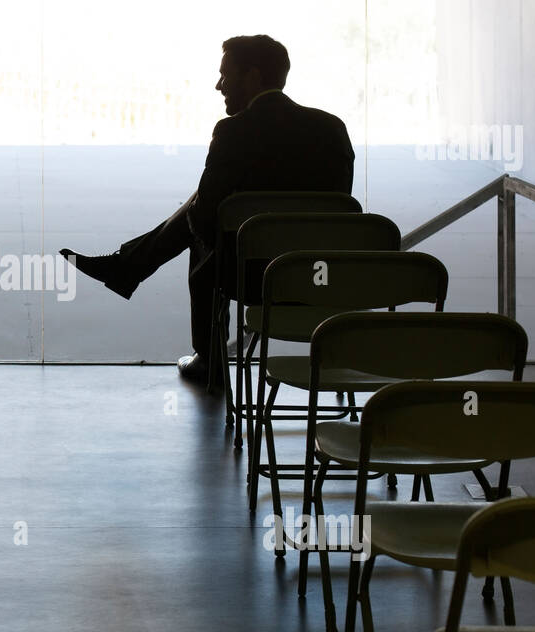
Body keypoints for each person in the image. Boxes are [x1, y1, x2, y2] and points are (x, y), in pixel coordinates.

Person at [60, 34, 354, 383]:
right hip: (322, 277)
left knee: (205, 227)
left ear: (254, 77)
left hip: (251, 277)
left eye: (226, 75)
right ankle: (128, 267)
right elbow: (338, 211)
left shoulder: (233, 132)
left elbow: (203, 219)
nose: (218, 86)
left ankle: (207, 357)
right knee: (211, 213)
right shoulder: (332, 129)